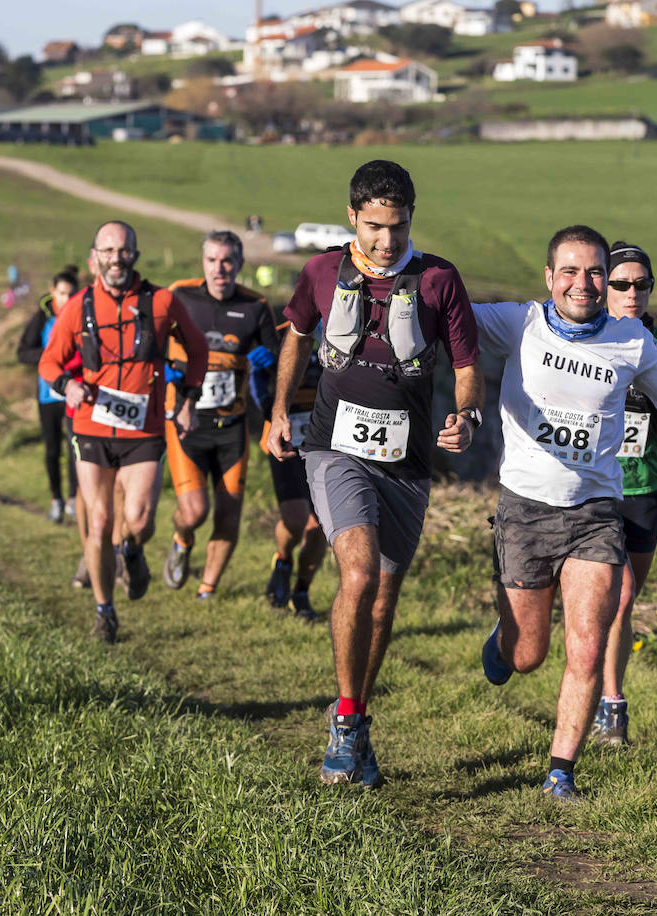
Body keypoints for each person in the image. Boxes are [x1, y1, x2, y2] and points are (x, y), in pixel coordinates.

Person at [473, 226, 657, 801]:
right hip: (526, 510)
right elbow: (445, 318)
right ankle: (506, 638)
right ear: (549, 277)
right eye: (570, 271)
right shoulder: (517, 323)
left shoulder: (631, 340)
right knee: (528, 655)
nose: (583, 283)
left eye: (593, 273)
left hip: (596, 511)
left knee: (587, 643)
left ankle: (561, 772)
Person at [266, 160, 482, 787]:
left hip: (409, 463)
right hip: (333, 448)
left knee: (383, 603)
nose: (388, 241)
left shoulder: (439, 280)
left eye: (399, 226)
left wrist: (465, 415)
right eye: (375, 227)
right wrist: (280, 409)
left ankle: (358, 720)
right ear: (352, 217)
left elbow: (466, 365)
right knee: (357, 574)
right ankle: (345, 721)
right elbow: (297, 337)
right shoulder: (320, 272)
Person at [39, 221, 209, 643]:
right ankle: (104, 611)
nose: (116, 258)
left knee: (140, 519)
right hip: (92, 425)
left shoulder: (162, 301)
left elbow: (198, 349)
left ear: (134, 254)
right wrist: (68, 385)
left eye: (124, 250)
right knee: (99, 521)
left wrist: (187, 396)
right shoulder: (77, 306)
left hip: (142, 428)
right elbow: (48, 363)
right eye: (108, 251)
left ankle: (133, 551)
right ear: (94, 257)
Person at [592, 242, 657, 747]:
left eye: (641, 285)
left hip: (642, 489)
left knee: (623, 601)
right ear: (602, 286)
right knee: (614, 593)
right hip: (590, 488)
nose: (632, 294)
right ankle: (608, 702)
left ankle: (606, 698)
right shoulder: (583, 337)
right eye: (621, 284)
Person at [160, 230, 278, 599]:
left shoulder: (256, 306)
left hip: (232, 427)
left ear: (240, 265)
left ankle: (206, 591)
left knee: (229, 514)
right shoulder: (180, 295)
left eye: (227, 261)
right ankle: (182, 540)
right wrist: (166, 368)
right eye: (212, 260)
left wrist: (267, 361)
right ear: (203, 262)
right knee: (194, 511)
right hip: (186, 423)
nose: (219, 269)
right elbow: (148, 338)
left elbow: (279, 363)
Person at [258, 314, 327, 622]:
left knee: (320, 528)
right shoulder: (278, 336)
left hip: (326, 443)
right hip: (284, 441)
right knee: (297, 519)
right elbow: (255, 382)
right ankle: (283, 561)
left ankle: (301, 592)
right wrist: (270, 411)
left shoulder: (343, 330)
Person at [18, 269, 81, 523]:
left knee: (76, 450)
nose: (66, 298)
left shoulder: (82, 317)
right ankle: (55, 498)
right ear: (52, 291)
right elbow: (23, 352)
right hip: (48, 396)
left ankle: (74, 500)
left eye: (71, 293)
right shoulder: (41, 318)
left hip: (75, 396)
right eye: (62, 293)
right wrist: (50, 357)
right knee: (52, 449)